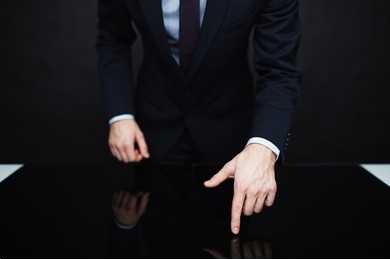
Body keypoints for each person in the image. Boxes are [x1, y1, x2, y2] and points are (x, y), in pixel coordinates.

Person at [96, 0, 301, 235]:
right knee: (160, 248)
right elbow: (112, 39)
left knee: (226, 250)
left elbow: (280, 72)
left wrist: (263, 147)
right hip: (154, 132)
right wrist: (120, 115)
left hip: (231, 137)